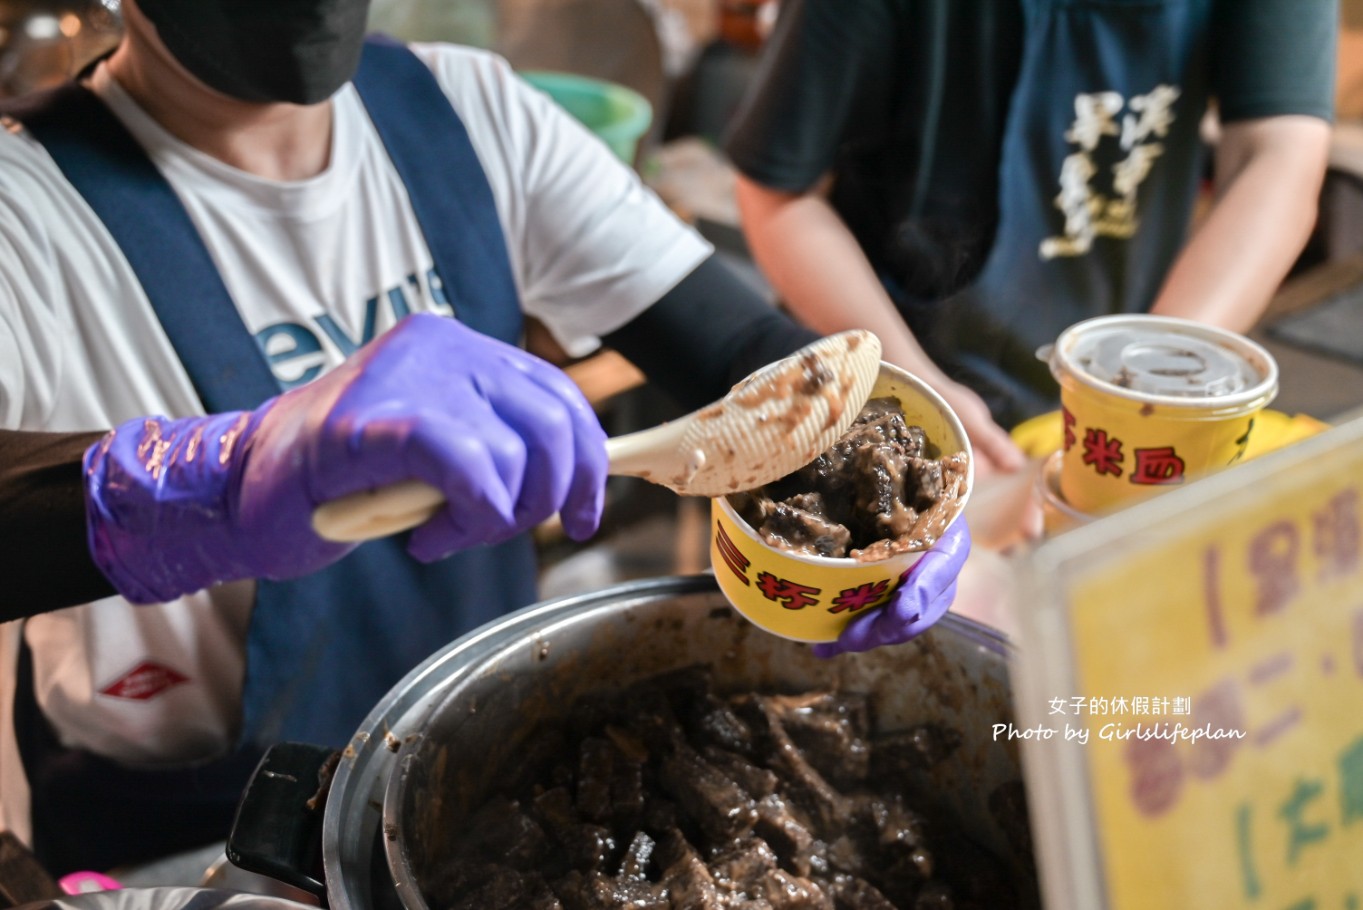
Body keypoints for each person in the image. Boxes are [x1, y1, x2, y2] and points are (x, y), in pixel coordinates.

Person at [0, 0, 970, 873]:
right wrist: (217, 478)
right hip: (196, 843)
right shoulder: (27, 212)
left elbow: (757, 364)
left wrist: (900, 479)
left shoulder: (465, 115)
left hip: (489, 778)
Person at [725, 0, 1337, 476]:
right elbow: (778, 193)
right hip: (883, 380)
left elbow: (1278, 154)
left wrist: (1142, 395)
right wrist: (918, 392)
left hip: (1126, 359)